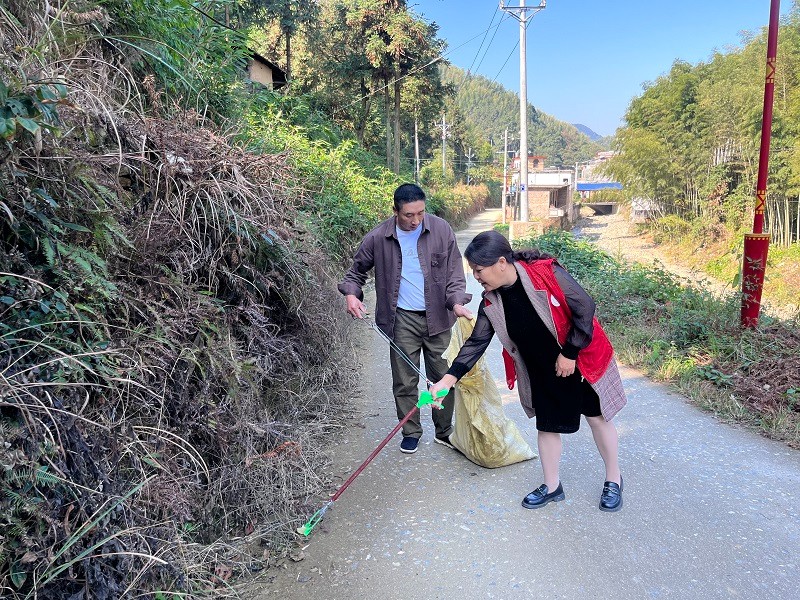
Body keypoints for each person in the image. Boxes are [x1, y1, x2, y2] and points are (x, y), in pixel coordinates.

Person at [429, 230, 627, 512]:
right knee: (546, 425)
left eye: (478, 270)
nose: (476, 276)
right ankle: (552, 485)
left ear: (500, 262)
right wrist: (448, 380)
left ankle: (613, 479)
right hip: (541, 367)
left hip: (577, 358)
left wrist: (569, 353)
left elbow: (585, 307)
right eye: (473, 271)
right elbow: (477, 342)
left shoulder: (545, 273)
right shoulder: (491, 301)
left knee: (597, 418)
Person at [338, 183, 472, 455]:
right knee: (404, 380)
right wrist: (352, 295)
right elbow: (355, 274)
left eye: (420, 213)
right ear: (395, 211)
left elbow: (455, 271)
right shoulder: (378, 238)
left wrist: (457, 302)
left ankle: (444, 431)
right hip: (401, 319)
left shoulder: (441, 229)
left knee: (443, 377)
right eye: (409, 215)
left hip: (439, 317)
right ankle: (410, 431)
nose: (415, 220)